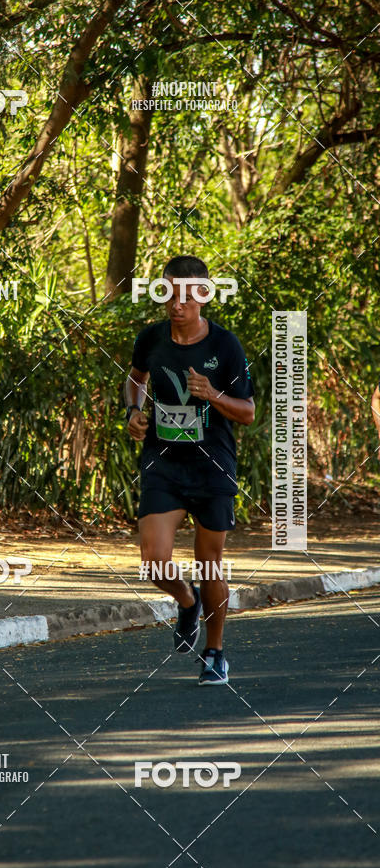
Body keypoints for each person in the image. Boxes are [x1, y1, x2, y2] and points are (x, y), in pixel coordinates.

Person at [125, 255, 255, 685]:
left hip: (212, 467)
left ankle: (215, 652)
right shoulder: (151, 337)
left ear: (203, 295)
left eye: (185, 295)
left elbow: (248, 412)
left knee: (210, 565)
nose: (176, 303)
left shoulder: (225, 345)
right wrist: (133, 411)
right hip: (163, 463)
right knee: (154, 562)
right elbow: (137, 377)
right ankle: (187, 602)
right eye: (168, 293)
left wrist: (213, 394)